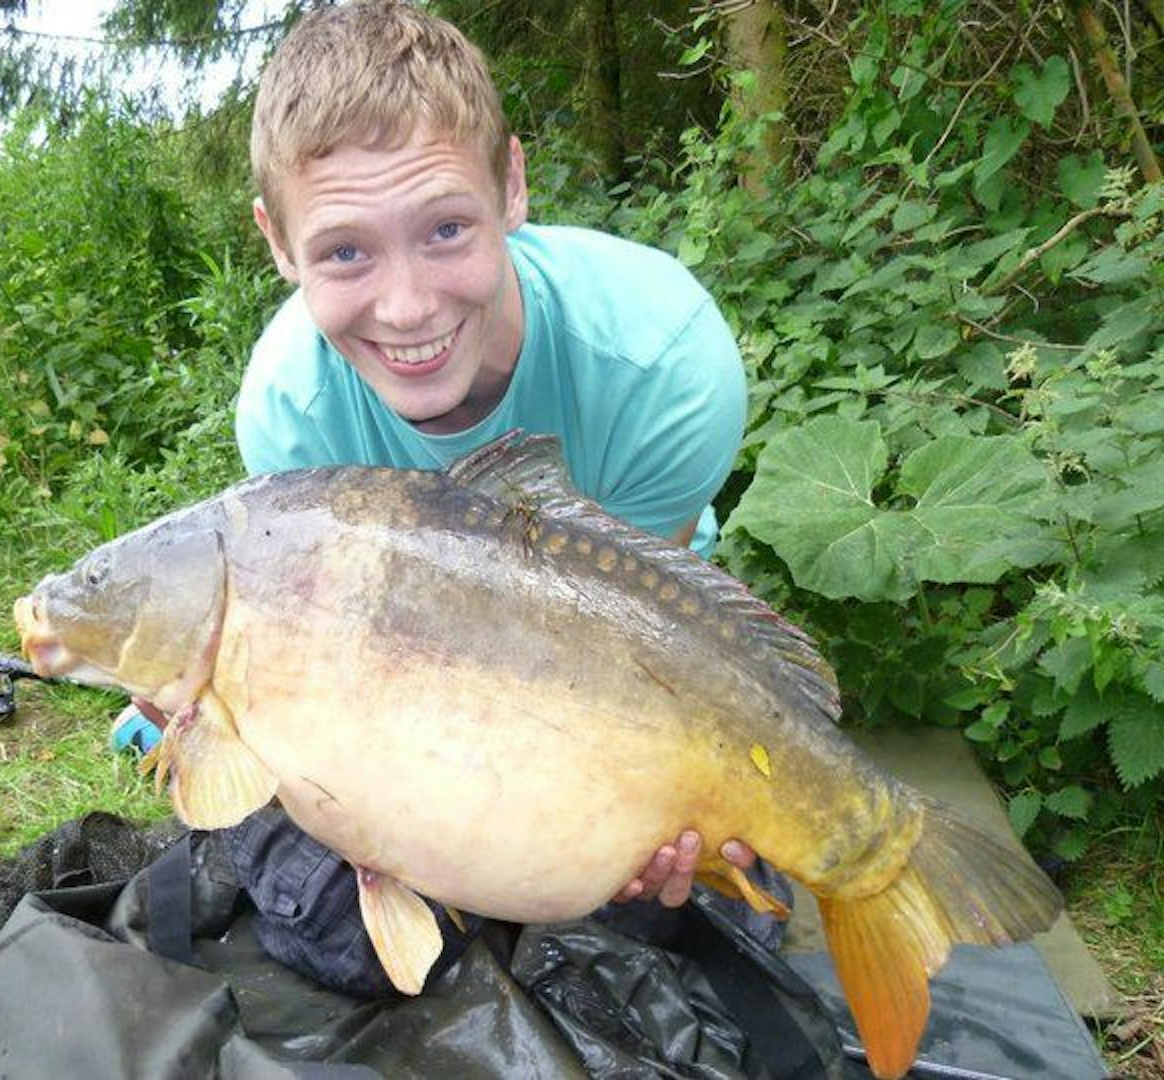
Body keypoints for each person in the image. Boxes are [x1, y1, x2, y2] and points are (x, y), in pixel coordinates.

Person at [120, 0, 788, 997]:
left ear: (511, 184)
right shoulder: (290, 413)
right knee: (335, 926)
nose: (408, 306)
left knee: (671, 901)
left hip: (616, 677)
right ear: (277, 243)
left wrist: (638, 822)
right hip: (398, 684)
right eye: (345, 251)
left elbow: (646, 647)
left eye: (444, 229)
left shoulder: (665, 360)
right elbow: (341, 690)